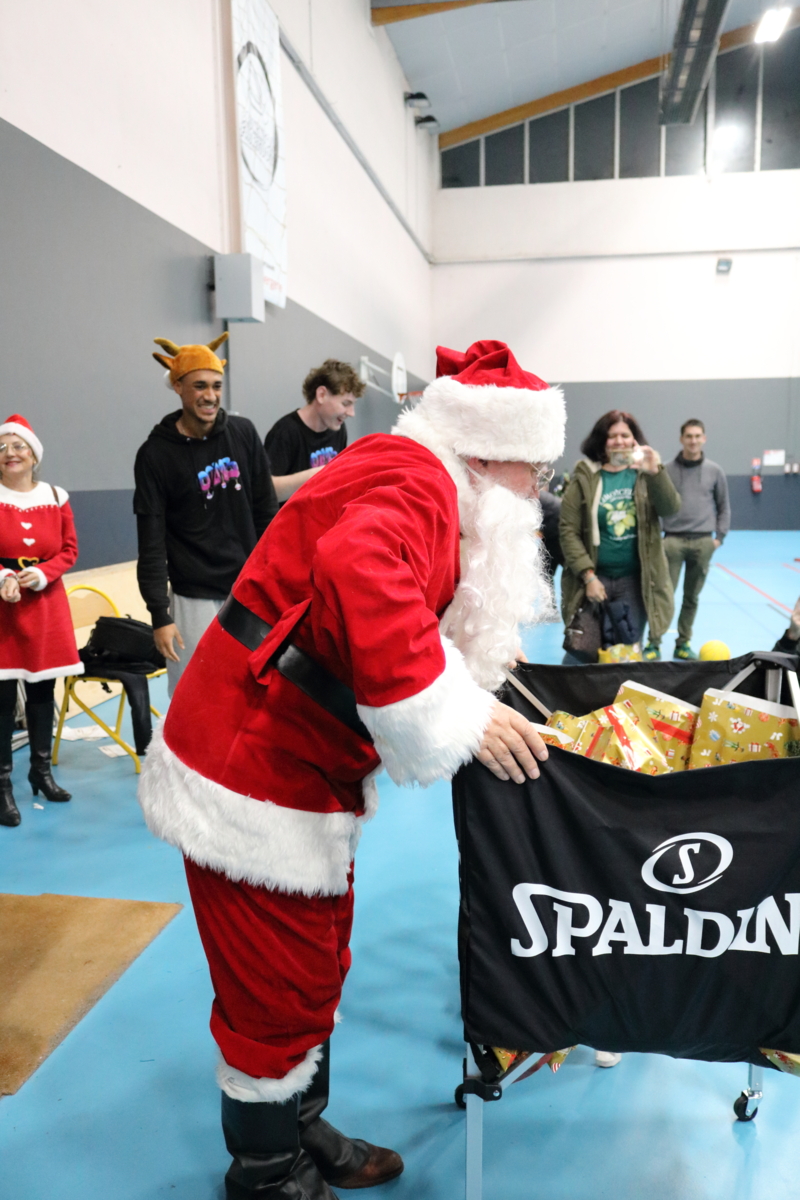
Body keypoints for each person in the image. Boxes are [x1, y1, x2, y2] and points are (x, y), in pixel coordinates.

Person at [138, 339, 564, 1200]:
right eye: (536, 473)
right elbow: (361, 569)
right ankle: (267, 1176)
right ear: (488, 454)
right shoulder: (416, 484)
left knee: (316, 958)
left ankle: (302, 1128)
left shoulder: (425, 479)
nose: (538, 495)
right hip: (249, 764)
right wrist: (460, 712)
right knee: (273, 981)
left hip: (304, 763)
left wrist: (467, 661)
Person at [134, 335, 278, 695]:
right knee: (194, 696)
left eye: (216, 386)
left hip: (247, 588)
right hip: (192, 597)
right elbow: (151, 543)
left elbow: (266, 512)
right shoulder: (155, 455)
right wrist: (160, 615)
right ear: (178, 386)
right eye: (199, 386)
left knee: (252, 692)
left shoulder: (243, 433)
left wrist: (272, 578)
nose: (210, 396)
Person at [0, 414, 82, 827]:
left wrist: (42, 573)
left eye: (19, 446)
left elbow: (69, 550)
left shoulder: (56, 496)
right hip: (3, 609)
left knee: (42, 690)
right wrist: (4, 577)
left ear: (34, 455)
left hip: (46, 605)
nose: (10, 453)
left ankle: (41, 771)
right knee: (1, 698)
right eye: (2, 447)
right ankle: (2, 784)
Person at [559, 409, 680, 662]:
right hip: (594, 579)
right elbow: (568, 530)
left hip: (634, 582)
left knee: (626, 654)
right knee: (584, 653)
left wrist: (656, 472)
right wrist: (588, 576)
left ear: (634, 440)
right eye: (612, 435)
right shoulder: (585, 477)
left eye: (625, 435)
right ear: (602, 441)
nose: (619, 441)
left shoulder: (644, 475)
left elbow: (670, 509)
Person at [662, 419, 730, 660]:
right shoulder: (666, 470)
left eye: (697, 436)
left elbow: (724, 506)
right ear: (681, 439)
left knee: (691, 597)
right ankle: (653, 642)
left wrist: (718, 539)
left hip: (703, 542)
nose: (693, 440)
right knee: (664, 595)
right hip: (672, 541)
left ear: (704, 438)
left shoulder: (715, 471)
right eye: (689, 436)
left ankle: (683, 643)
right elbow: (655, 503)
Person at [264, 359, 364, 502]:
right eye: (345, 403)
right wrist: (319, 474)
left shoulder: (338, 429)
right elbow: (267, 491)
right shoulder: (285, 432)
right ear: (321, 395)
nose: (351, 413)